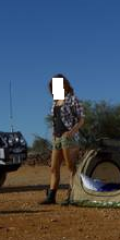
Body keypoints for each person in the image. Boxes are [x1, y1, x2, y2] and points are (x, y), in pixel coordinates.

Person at [41, 74, 85, 205]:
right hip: (57, 138)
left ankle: (71, 196)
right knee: (54, 168)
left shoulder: (72, 100)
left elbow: (82, 119)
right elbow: (55, 120)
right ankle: (51, 196)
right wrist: (54, 134)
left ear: (64, 85)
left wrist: (71, 132)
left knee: (71, 167)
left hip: (68, 137)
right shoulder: (55, 102)